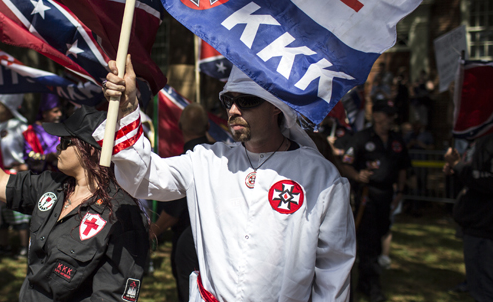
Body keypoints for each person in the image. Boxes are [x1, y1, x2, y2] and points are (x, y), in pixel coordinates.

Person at [104, 59, 356, 302]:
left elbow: (334, 269)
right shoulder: (208, 160)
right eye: (228, 100)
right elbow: (144, 179)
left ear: (276, 105)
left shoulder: (320, 177)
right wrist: (128, 107)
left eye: (246, 101)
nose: (233, 110)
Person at [0, 105, 150, 301]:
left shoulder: (122, 213)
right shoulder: (52, 184)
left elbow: (112, 296)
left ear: (90, 150)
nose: (56, 148)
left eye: (65, 141)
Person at [343, 100, 410, 302]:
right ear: (377, 115)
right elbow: (346, 163)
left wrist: (400, 192)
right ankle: (372, 285)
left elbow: (403, 168)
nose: (390, 119)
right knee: (368, 241)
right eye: (386, 115)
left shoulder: (397, 140)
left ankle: (364, 281)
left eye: (392, 115)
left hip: (387, 195)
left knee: (380, 236)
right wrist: (357, 175)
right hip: (366, 196)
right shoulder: (362, 138)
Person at [443, 129, 493, 302]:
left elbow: (492, 182)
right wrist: (457, 169)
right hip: (478, 226)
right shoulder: (484, 138)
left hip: (487, 227)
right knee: (478, 286)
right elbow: (476, 174)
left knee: (485, 289)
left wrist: (458, 166)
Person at [150, 103, 208, 302]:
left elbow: (173, 212)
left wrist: (152, 232)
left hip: (190, 245)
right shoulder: (218, 158)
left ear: (181, 126)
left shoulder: (190, 161)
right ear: (207, 127)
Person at [0, 94, 30, 257]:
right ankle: (3, 245)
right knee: (1, 213)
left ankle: (24, 247)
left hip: (17, 174)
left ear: (8, 108)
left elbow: (31, 149)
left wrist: (26, 164)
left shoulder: (21, 127)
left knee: (18, 211)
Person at [23, 93, 62, 173]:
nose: (59, 114)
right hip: (42, 176)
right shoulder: (32, 131)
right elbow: (28, 156)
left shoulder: (62, 128)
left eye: (60, 111)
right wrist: (46, 157)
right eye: (55, 111)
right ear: (44, 114)